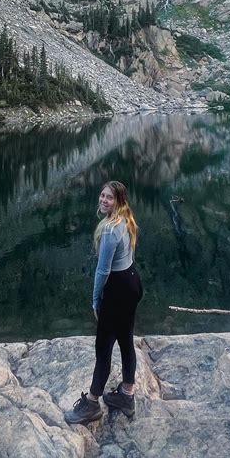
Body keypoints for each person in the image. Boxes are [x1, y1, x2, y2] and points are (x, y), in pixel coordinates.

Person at [64, 180, 143, 425]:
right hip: (132, 282)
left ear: (118, 201)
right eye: (102, 195)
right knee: (126, 340)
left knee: (104, 347)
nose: (103, 200)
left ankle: (91, 403)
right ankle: (126, 395)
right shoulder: (127, 220)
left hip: (117, 290)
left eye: (109, 197)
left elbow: (102, 270)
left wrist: (96, 300)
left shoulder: (110, 230)